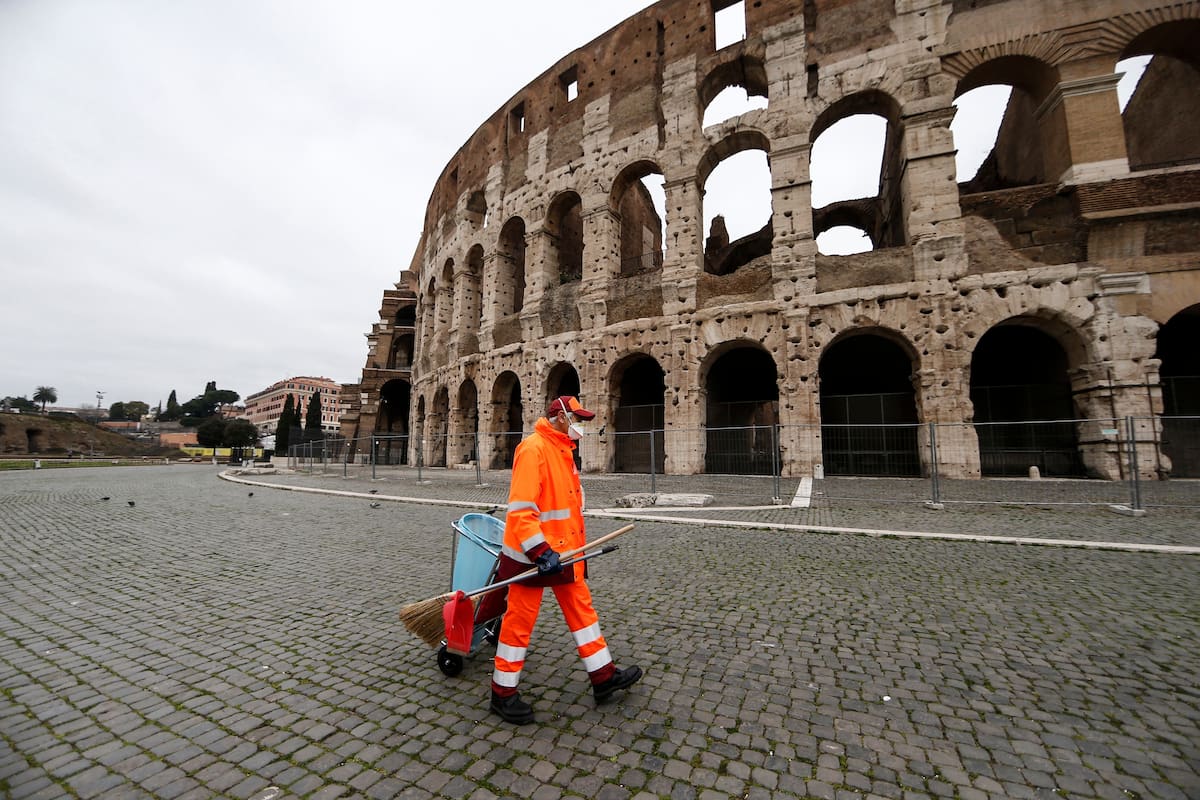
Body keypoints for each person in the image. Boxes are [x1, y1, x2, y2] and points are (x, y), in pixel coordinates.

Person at [488, 395, 642, 724]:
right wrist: (540, 552)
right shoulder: (533, 449)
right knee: (518, 624)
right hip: (533, 557)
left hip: (566, 552)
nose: (581, 426)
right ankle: (502, 693)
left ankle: (603, 676)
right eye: (578, 419)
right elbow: (521, 510)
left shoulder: (562, 451)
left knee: (583, 614)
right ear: (560, 417)